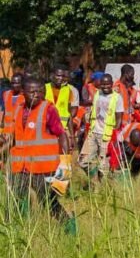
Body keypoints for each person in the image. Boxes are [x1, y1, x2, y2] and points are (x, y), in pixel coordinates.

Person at [4, 77, 76, 234]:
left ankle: (69, 225)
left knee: (48, 201)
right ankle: (14, 231)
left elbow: (61, 135)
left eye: (40, 92)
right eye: (32, 92)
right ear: (23, 92)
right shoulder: (18, 108)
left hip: (42, 168)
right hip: (20, 166)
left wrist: (65, 162)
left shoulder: (48, 109)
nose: (36, 95)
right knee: (15, 199)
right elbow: (14, 136)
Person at [78, 73, 125, 182]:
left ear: (112, 84)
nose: (105, 87)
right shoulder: (97, 94)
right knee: (82, 161)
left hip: (106, 135)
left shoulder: (117, 98)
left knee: (103, 167)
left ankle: (101, 189)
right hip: (93, 133)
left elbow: (119, 119)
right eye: (103, 84)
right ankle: (94, 180)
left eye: (108, 84)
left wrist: (114, 137)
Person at [45, 65, 80, 142]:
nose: (60, 78)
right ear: (52, 75)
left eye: (63, 76)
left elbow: (69, 114)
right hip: (45, 129)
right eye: (58, 75)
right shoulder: (44, 88)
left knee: (64, 153)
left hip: (61, 130)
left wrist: (72, 136)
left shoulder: (68, 91)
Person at [1, 73, 24, 144]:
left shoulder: (26, 97)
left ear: (22, 84)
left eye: (17, 83)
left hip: (20, 134)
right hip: (6, 134)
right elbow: (4, 111)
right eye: (13, 83)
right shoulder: (6, 94)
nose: (14, 85)